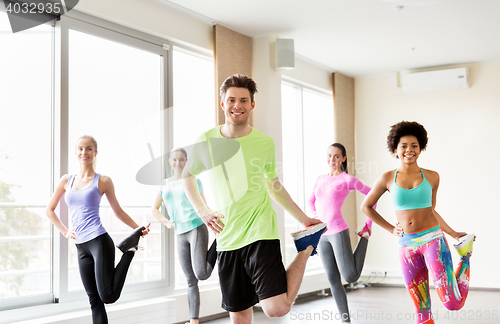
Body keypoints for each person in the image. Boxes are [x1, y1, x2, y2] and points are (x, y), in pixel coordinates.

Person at [181, 74, 326, 324]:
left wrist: (304, 219)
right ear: (222, 102)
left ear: (252, 105)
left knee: (276, 308)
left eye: (244, 100)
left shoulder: (263, 142)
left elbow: (273, 185)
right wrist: (203, 211)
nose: (237, 105)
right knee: (239, 317)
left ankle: (307, 246)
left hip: (261, 232)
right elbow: (187, 176)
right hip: (227, 238)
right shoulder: (206, 140)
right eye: (232, 99)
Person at [361, 121, 474, 324]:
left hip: (433, 240)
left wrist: (454, 233)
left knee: (453, 303)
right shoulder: (387, 178)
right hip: (406, 246)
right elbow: (366, 206)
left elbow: (431, 211)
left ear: (420, 148)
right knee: (421, 311)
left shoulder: (432, 177)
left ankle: (465, 258)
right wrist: (390, 229)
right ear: (395, 149)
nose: (409, 150)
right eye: (403, 146)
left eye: (414, 145)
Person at [46, 135, 150, 324]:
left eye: (88, 149)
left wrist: (138, 228)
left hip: (98, 241)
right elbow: (50, 210)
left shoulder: (103, 181)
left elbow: (118, 211)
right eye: (80, 148)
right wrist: (65, 231)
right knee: (94, 301)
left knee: (108, 296)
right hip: (80, 247)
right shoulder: (66, 181)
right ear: (75, 152)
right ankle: (129, 247)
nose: (83, 152)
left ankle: (129, 250)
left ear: (95, 152)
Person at [308, 143, 374, 323]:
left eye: (337, 156)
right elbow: (311, 201)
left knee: (351, 276)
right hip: (321, 234)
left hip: (338, 231)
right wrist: (314, 216)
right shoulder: (320, 178)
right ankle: (346, 320)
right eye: (330, 156)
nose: (332, 160)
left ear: (343, 158)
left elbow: (372, 196)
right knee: (333, 279)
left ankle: (365, 237)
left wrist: (368, 223)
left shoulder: (347, 179)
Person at [151, 148, 217, 324]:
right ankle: (193, 321)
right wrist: (166, 222)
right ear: (170, 162)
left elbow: (204, 205)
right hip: (179, 233)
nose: (178, 163)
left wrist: (212, 222)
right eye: (174, 160)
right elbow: (154, 209)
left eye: (182, 160)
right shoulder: (164, 185)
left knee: (201, 273)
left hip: (196, 227)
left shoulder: (194, 180)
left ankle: (219, 241)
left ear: (186, 161)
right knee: (190, 280)